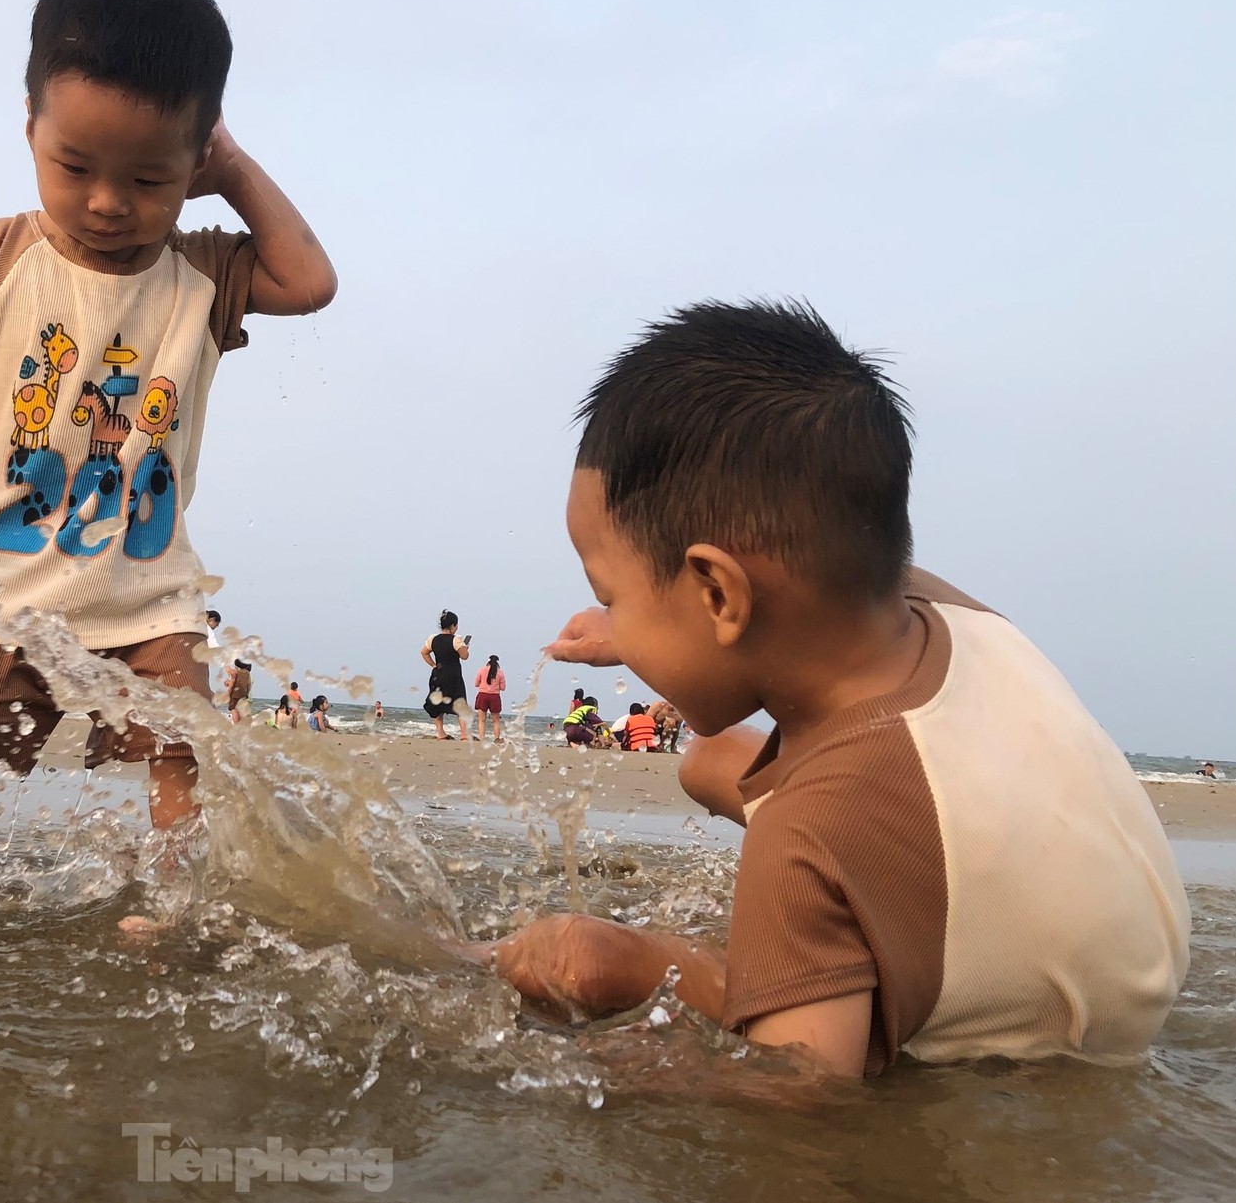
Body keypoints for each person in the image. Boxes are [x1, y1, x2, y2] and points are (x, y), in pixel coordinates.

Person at [491, 300, 1187, 1080]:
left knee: (621, 951)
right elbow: (797, 611)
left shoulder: (806, 835)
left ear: (718, 596)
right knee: (708, 760)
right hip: (1122, 943)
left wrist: (637, 967)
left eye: (611, 593)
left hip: (1053, 1046)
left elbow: (803, 1099)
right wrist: (638, 627)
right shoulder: (938, 604)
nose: (607, 615)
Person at [0, 0, 336, 871]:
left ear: (194, 163)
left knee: (186, 737)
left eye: (150, 178)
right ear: (30, 127)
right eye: (75, 165)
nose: (108, 202)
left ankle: (173, 897)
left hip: (148, 590)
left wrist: (234, 170)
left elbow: (310, 281)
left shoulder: (203, 274)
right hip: (6, 584)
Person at [420, 610, 471, 741]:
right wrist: (465, 647)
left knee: (437, 703)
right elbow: (464, 656)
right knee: (460, 702)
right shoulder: (457, 640)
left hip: (438, 674)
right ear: (453, 626)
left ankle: (441, 732)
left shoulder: (433, 639)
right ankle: (464, 735)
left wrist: (433, 665)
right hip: (453, 675)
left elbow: (424, 652)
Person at [472, 655, 507, 742]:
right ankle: (496, 738)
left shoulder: (481, 670)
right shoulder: (500, 672)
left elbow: (476, 684)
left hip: (483, 695)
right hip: (494, 697)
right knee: (496, 720)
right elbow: (503, 687)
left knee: (482, 719)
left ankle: (482, 738)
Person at [225, 659, 253, 723]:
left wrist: (228, 693)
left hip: (234, 695)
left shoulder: (235, 671)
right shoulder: (247, 673)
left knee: (234, 711)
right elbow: (249, 685)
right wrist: (246, 694)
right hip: (243, 696)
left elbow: (232, 683)